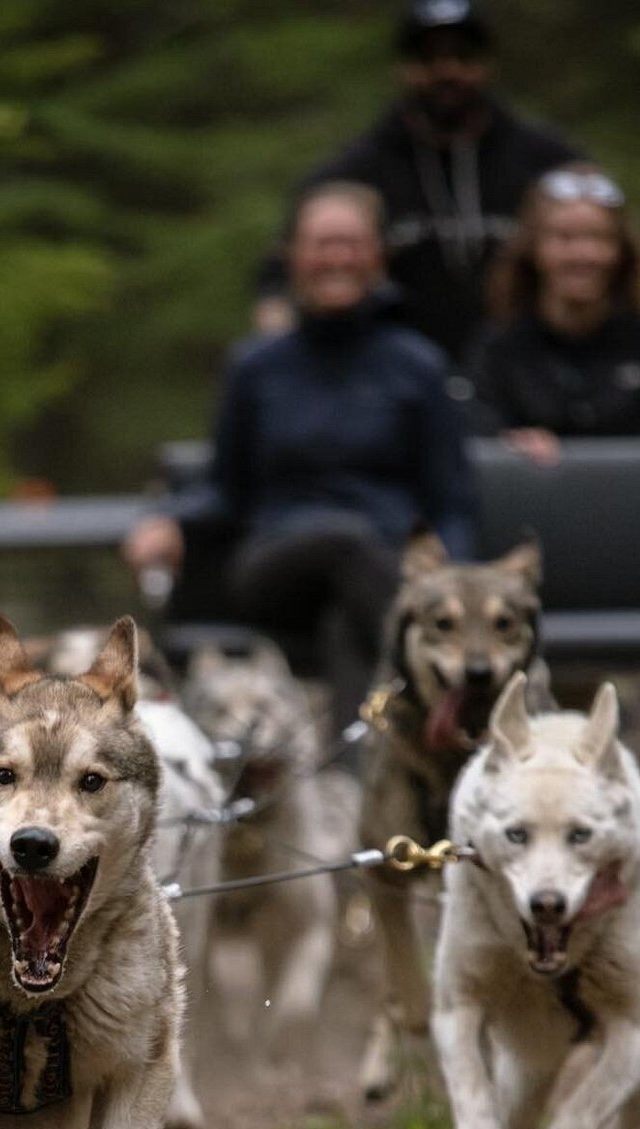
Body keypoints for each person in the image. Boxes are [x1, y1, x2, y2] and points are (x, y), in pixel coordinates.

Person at [123, 182, 475, 735]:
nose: (336, 257)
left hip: (372, 580)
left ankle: (357, 794)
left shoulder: (418, 366)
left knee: (345, 626)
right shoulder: (256, 368)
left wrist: (453, 581)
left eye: (351, 243)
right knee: (345, 541)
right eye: (321, 243)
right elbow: (227, 490)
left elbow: (449, 499)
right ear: (292, 257)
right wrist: (172, 519)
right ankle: (441, 661)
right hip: (274, 566)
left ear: (377, 257)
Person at [252, 0, 584, 364]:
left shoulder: (546, 162)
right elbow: (279, 281)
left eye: (463, 55)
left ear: (488, 63)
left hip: (528, 379)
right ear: (404, 68)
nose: (448, 70)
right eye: (429, 58)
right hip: (394, 382)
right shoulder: (355, 172)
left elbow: (609, 251)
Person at [466, 164, 640, 464]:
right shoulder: (498, 348)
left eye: (600, 238)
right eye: (565, 238)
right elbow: (475, 440)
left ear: (622, 251)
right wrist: (509, 444)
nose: (584, 255)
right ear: (534, 248)